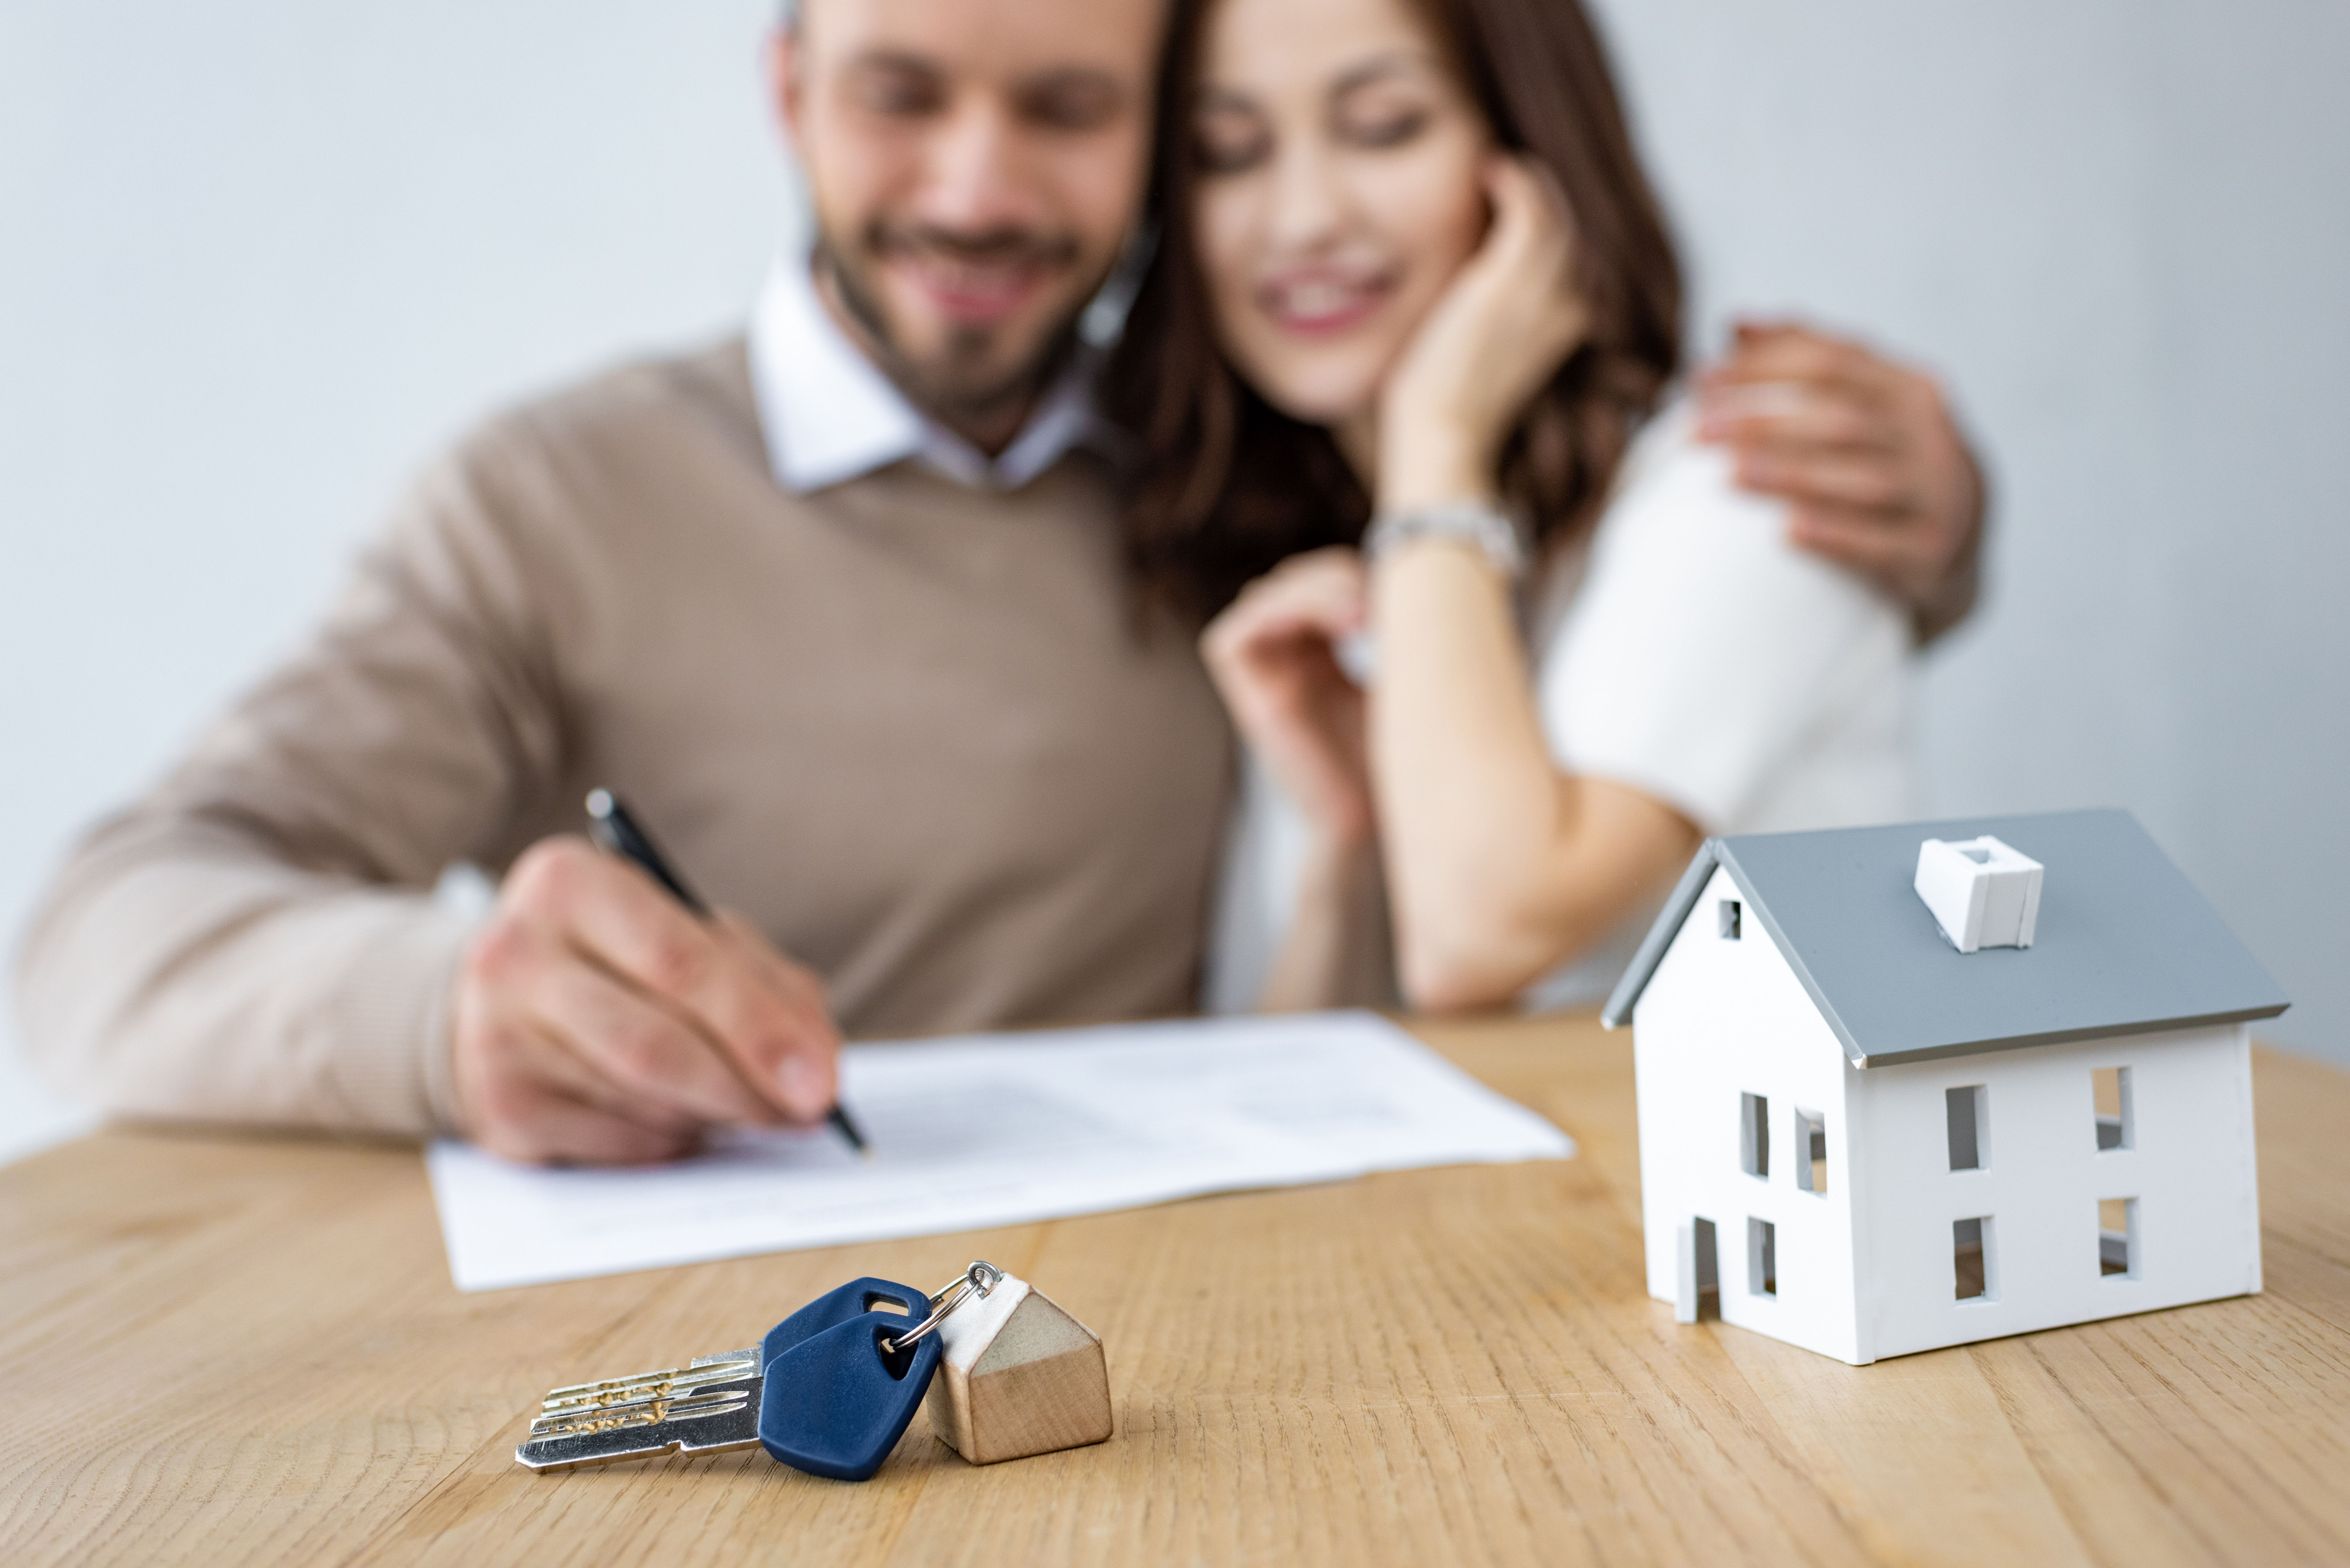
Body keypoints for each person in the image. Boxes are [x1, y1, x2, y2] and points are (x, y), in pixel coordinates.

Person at [14, 0, 1981, 1166]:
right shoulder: (554, 500)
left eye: (1069, 106)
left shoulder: (1256, 474)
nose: (976, 190)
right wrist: (451, 1011)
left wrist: (1922, 531)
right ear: (788, 91)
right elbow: (104, 930)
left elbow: (1588, 620)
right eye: (901, 91)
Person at [1108, 0, 1978, 1013]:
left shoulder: (1743, 485)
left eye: (1385, 127)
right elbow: (1292, 1092)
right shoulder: (1331, 573)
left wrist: (1437, 431)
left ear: (1534, 154)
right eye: (1228, 152)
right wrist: (1345, 849)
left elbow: (1483, 931)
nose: (1302, 219)